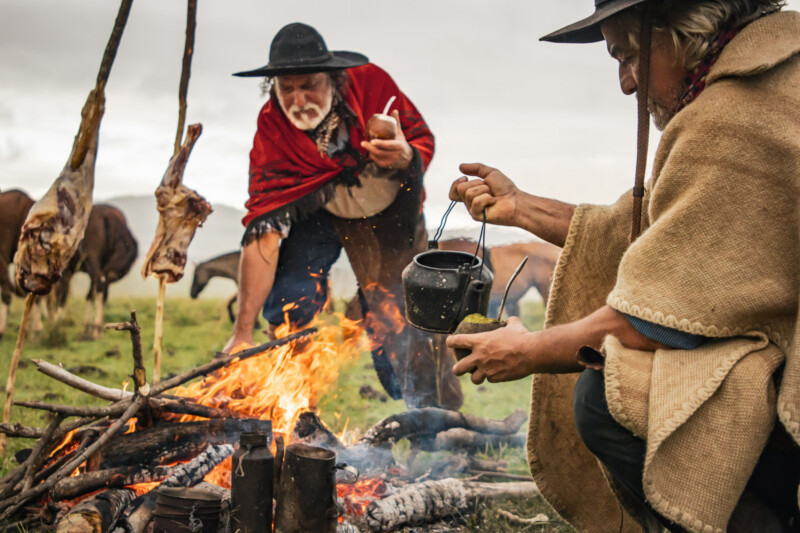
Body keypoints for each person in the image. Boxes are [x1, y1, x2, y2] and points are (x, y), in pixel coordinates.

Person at [446, 1, 800, 531]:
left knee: (606, 395)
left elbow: (657, 318)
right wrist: (520, 207)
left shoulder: (734, 116)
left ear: (679, 31)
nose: (626, 84)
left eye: (628, 55)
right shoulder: (774, 77)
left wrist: (529, 351)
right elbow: (658, 232)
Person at [225, 23, 462, 411]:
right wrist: (242, 331)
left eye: (309, 85)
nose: (299, 100)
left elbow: (421, 140)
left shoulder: (373, 85)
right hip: (315, 207)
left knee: (403, 317)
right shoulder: (273, 128)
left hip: (385, 210)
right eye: (287, 89)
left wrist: (405, 155)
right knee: (289, 299)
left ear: (333, 78)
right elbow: (263, 231)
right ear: (273, 90)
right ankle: (297, 413)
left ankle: (437, 419)